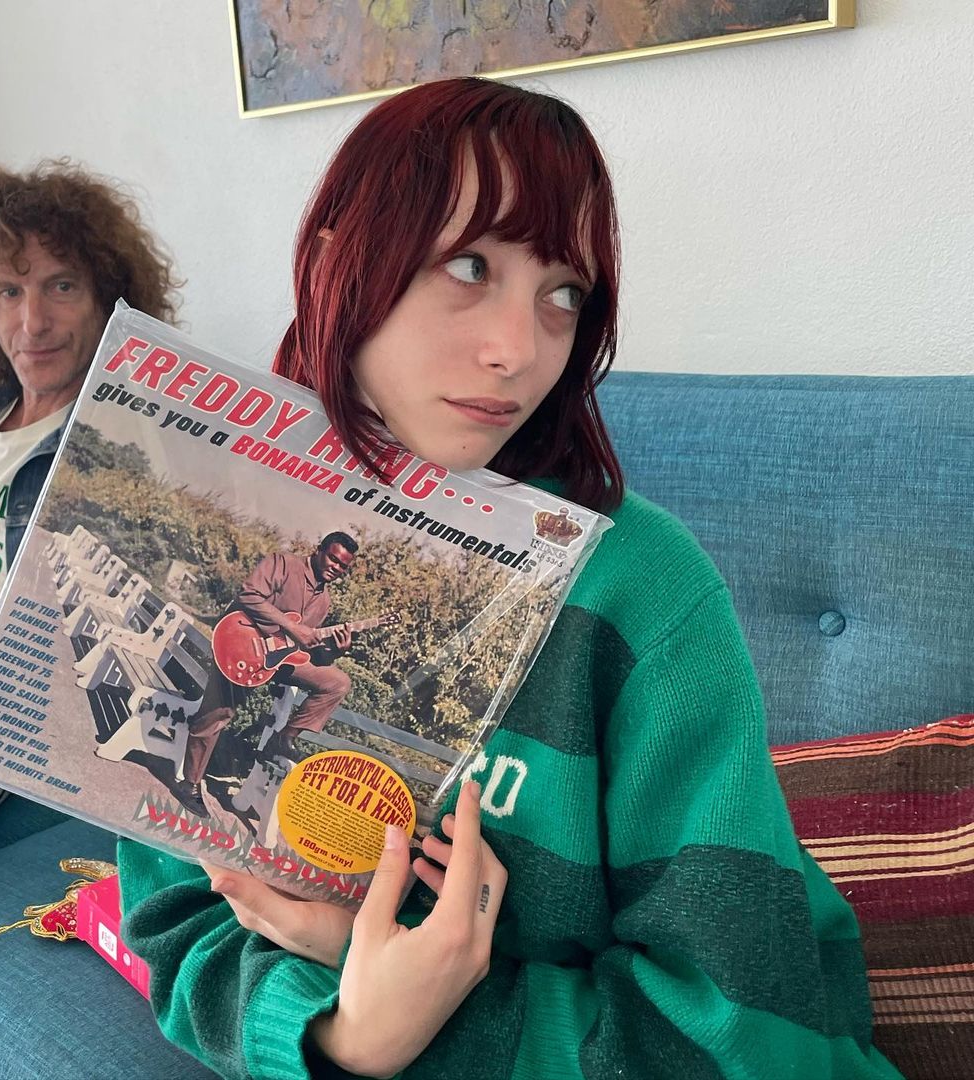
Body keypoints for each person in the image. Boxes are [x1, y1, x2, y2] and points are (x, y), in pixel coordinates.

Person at [117, 79, 902, 1079]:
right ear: (332, 265)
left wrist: (415, 1023)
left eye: (564, 294)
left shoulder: (643, 589)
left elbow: (742, 1034)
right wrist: (343, 1034)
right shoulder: (242, 519)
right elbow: (178, 922)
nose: (517, 352)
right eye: (469, 266)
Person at [0, 160, 180, 883]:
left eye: (61, 286)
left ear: (108, 302)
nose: (32, 323)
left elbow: (132, 647)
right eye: (10, 291)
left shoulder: (123, 441)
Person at [174, 531, 359, 818]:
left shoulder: (324, 601)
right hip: (240, 646)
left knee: (338, 682)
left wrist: (337, 651)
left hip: (278, 660)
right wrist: (292, 626)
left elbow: (304, 650)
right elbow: (248, 594)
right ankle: (189, 783)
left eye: (343, 566)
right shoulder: (283, 564)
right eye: (333, 559)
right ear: (319, 550)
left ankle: (283, 738)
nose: (336, 567)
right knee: (220, 712)